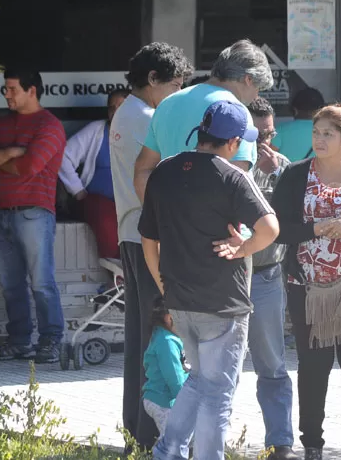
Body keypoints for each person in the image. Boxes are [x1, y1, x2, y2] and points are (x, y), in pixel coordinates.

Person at [142, 100, 280, 460]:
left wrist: (164, 287)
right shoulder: (232, 176)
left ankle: (168, 451)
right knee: (218, 393)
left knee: (199, 380)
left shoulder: (163, 171)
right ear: (232, 142)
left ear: (201, 134)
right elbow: (271, 228)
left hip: (179, 300)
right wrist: (243, 248)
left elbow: (148, 239)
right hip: (223, 304)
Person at [272, 104, 341, 460]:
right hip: (307, 287)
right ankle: (312, 445)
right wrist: (315, 229)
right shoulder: (294, 175)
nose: (319, 140)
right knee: (313, 366)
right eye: (316, 132)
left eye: (328, 134)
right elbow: (277, 229)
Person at [110, 42, 193, 450]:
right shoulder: (145, 117)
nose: (177, 96)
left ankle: (136, 435)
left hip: (133, 232)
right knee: (156, 337)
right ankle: (147, 438)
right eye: (174, 86)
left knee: (141, 340)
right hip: (148, 237)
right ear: (152, 80)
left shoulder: (129, 111)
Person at [0, 69, 67, 363]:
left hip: (35, 213)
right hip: (1, 212)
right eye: (6, 88)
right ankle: (19, 341)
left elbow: (31, 167)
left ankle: (51, 341)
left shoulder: (49, 126)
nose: (7, 94)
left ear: (32, 91)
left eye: (12, 89)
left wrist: (0, 159)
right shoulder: (4, 125)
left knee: (41, 282)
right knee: (11, 283)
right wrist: (14, 151)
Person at [134, 39, 272, 198]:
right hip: (217, 222)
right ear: (248, 79)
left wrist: (158, 214)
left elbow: (143, 171)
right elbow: (235, 180)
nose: (257, 96)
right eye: (259, 88)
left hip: (168, 220)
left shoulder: (167, 104)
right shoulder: (236, 112)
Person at [245, 97, 298, 460]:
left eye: (270, 133)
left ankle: (280, 442)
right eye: (257, 135)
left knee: (271, 363)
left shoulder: (284, 169)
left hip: (265, 275)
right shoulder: (229, 167)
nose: (266, 142)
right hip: (228, 275)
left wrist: (276, 174)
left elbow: (295, 216)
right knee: (219, 366)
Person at [59, 89, 127, 259]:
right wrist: (77, 191)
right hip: (97, 201)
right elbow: (63, 157)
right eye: (112, 108)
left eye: (121, 106)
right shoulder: (97, 130)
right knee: (105, 221)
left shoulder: (143, 132)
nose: (115, 112)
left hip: (130, 203)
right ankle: (117, 275)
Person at [143, 300, 188, 436]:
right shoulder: (167, 342)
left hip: (163, 398)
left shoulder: (163, 335)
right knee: (172, 439)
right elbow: (174, 376)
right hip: (163, 401)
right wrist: (185, 402)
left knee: (172, 439)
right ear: (169, 318)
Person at [273, 87, 326, 162]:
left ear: (294, 110)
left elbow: (269, 156)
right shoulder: (327, 131)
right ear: (321, 110)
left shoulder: (280, 130)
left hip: (288, 173)